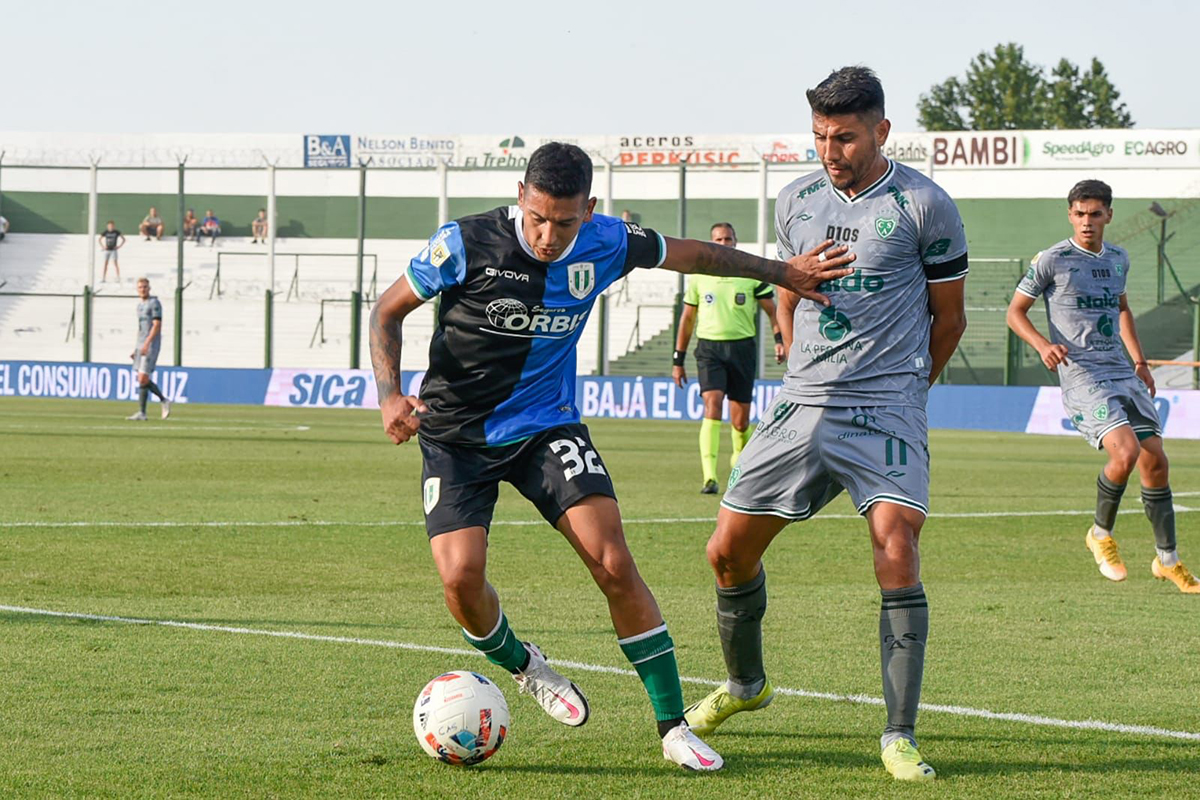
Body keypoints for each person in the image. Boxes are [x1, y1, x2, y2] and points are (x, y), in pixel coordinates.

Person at [368, 142, 855, 772]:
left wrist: (782, 271)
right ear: (521, 196)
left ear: (589, 210)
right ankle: (525, 664)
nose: (547, 236)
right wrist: (388, 397)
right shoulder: (464, 243)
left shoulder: (607, 242)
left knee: (613, 559)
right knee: (460, 580)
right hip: (456, 436)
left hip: (549, 428)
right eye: (538, 218)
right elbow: (387, 311)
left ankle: (673, 727)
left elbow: (697, 254)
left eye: (564, 222)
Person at [682, 67, 968, 783]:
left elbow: (951, 317)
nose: (830, 150)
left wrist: (907, 390)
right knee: (726, 554)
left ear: (881, 131)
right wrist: (788, 314)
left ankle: (898, 735)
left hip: (885, 405)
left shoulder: (925, 205)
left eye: (844, 137)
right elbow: (791, 288)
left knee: (895, 546)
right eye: (818, 137)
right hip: (803, 399)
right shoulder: (796, 201)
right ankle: (747, 686)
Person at [1007, 180, 1197, 594]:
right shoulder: (1052, 260)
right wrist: (1042, 344)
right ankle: (1099, 534)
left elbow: (1123, 309)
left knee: (1156, 461)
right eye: (1079, 214)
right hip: (1082, 374)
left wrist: (1141, 362)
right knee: (1126, 451)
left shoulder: (1118, 259)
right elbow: (1015, 312)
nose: (1086, 222)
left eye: (1094, 214)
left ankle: (1168, 560)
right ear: (1070, 215)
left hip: (1121, 371)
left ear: (1109, 215)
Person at [673, 222, 784, 494]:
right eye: (718, 239)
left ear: (736, 241)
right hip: (709, 349)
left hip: (742, 349)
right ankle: (709, 476)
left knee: (740, 421)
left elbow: (773, 312)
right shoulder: (699, 276)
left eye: (728, 239)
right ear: (711, 242)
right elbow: (687, 319)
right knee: (712, 404)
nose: (723, 243)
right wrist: (678, 359)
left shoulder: (750, 273)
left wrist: (780, 340)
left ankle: (740, 466)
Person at [127, 277, 171, 421]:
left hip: (151, 344)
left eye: (145, 287)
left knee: (143, 378)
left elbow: (156, 325)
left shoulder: (154, 303)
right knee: (142, 379)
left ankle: (163, 400)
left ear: (149, 288)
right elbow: (140, 329)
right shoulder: (139, 306)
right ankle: (142, 413)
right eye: (140, 287)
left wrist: (147, 344)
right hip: (141, 344)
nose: (142, 289)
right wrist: (137, 347)